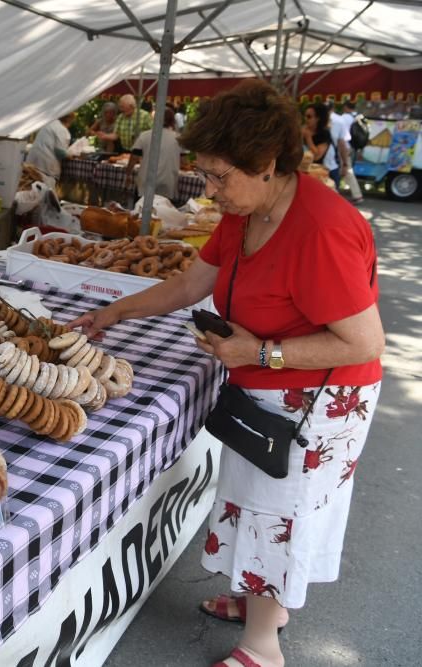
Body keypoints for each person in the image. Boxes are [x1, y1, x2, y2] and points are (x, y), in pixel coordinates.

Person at [71, 79, 383, 667]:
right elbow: (194, 282)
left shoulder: (319, 228)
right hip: (265, 387)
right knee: (253, 497)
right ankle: (259, 600)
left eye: (219, 177)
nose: (210, 192)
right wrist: (113, 312)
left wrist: (261, 353)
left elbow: (365, 342)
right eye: (206, 176)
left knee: (279, 508)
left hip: (319, 396)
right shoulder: (246, 211)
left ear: (266, 164)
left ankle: (263, 647)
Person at [125, 106, 183, 201]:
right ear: (172, 121)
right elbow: (184, 160)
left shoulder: (145, 135)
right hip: (168, 181)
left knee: (141, 211)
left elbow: (134, 157)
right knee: (163, 212)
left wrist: (128, 173)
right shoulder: (178, 138)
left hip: (146, 180)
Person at [26, 112, 76, 180]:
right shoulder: (62, 130)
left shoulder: (49, 123)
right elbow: (60, 153)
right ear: (70, 120)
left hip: (32, 162)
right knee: (43, 189)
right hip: (45, 167)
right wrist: (70, 156)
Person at [302, 102, 339, 184]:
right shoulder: (303, 130)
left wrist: (308, 138)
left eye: (309, 117)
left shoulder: (324, 134)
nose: (305, 119)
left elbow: (317, 157)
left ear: (318, 118)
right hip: (305, 172)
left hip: (324, 174)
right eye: (304, 116)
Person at [337, 99, 365, 203]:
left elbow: (340, 136)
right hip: (351, 146)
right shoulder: (357, 116)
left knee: (346, 170)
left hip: (343, 146)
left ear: (345, 107)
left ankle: (357, 195)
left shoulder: (344, 118)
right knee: (345, 170)